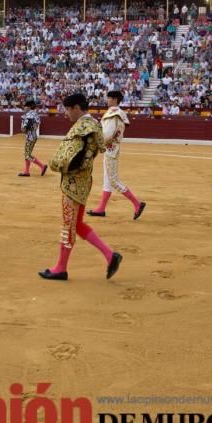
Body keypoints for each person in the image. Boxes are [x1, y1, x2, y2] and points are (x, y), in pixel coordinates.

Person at [39, 92, 122, 281]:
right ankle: (110, 256)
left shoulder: (83, 127)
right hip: (84, 181)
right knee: (77, 224)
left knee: (68, 224)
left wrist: (59, 165)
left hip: (73, 181)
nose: (66, 114)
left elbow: (71, 157)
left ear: (76, 108)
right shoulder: (94, 124)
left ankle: (61, 268)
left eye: (68, 110)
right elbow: (98, 149)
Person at [87, 90, 146, 220]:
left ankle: (137, 204)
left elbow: (107, 134)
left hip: (110, 149)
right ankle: (101, 208)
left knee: (113, 180)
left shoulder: (113, 114)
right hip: (111, 149)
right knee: (107, 180)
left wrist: (97, 144)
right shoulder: (117, 113)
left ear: (114, 100)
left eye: (108, 98)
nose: (107, 100)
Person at [18, 100, 47, 177]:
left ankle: (42, 166)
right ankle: (26, 172)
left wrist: (24, 129)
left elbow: (28, 125)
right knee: (27, 154)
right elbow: (36, 125)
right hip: (34, 136)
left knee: (27, 155)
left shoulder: (29, 115)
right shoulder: (36, 114)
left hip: (30, 136)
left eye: (25, 106)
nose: (24, 108)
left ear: (29, 107)